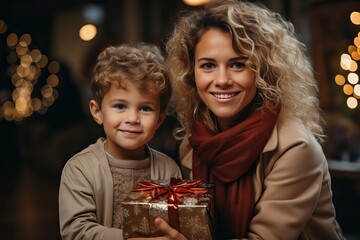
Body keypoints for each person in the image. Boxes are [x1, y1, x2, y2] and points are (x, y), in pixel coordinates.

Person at [134, 0, 345, 239]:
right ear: (192, 74)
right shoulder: (193, 145)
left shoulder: (296, 148)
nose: (221, 79)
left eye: (237, 64)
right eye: (208, 65)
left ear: (262, 71)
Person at [58, 43, 182, 240]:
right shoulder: (80, 169)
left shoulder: (169, 170)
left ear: (160, 118)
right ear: (97, 111)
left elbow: (175, 225)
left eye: (146, 108)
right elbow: (77, 231)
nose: (133, 118)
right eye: (120, 106)